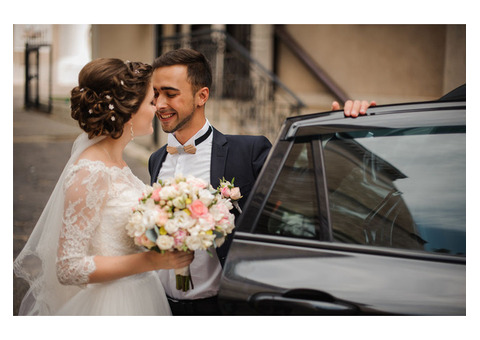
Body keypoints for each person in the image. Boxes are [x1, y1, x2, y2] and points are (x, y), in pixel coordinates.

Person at [148, 48, 376, 315]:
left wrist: (344, 130)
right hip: (160, 308)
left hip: (221, 309)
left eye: (170, 94)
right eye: (155, 94)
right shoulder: (155, 160)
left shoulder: (248, 151)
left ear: (202, 96)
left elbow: (307, 191)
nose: (159, 104)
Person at [13, 58, 193, 316]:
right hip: (113, 305)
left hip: (142, 294)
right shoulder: (90, 171)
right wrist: (150, 261)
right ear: (129, 110)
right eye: (151, 101)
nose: (157, 108)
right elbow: (68, 267)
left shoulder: (117, 163)